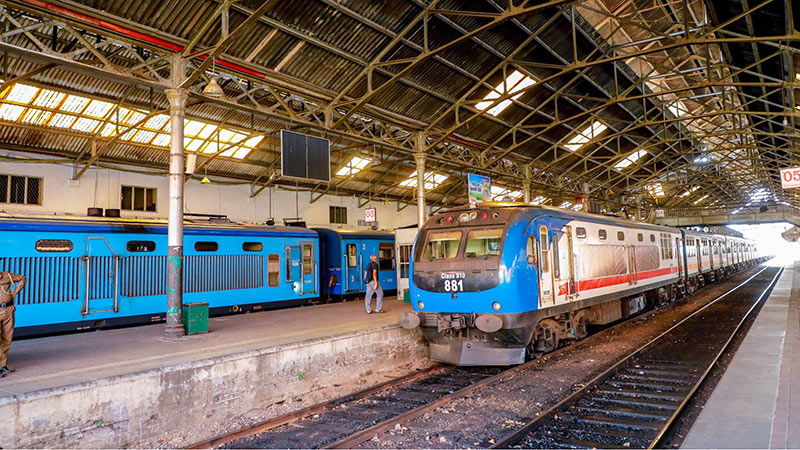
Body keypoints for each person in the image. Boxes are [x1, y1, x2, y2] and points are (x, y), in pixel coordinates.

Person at [0, 271, 25, 376]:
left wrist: (15, 292)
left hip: (8, 309)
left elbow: (22, 279)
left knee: (7, 337)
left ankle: (3, 365)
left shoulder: (7, 275)